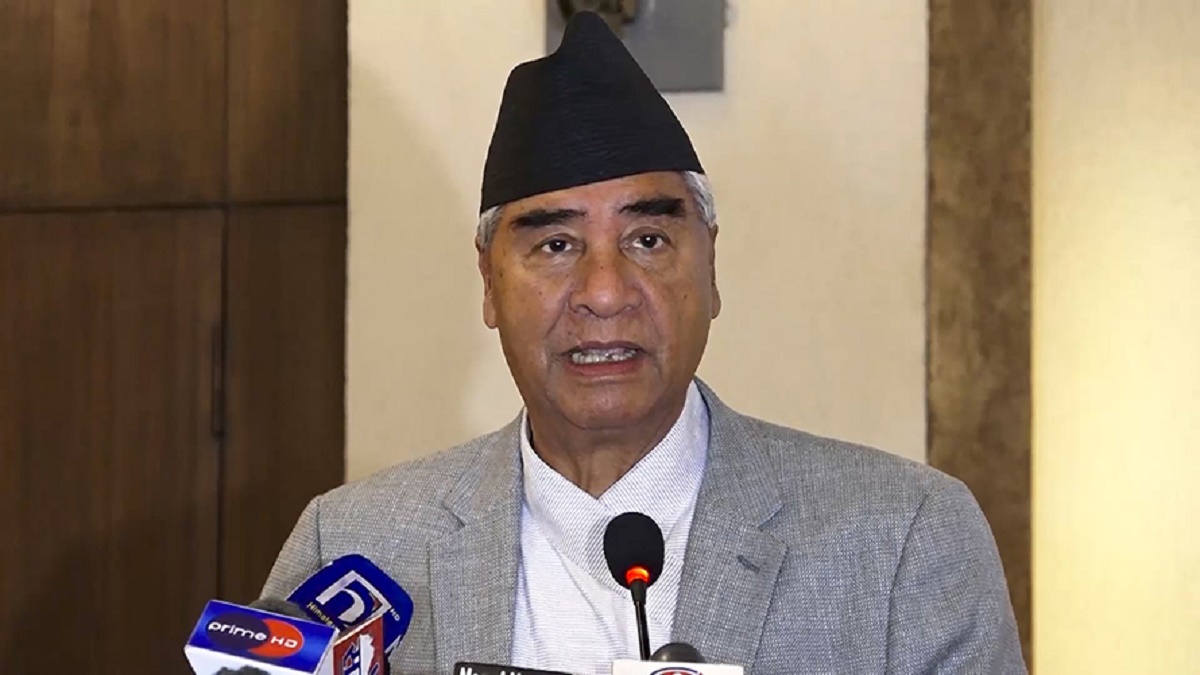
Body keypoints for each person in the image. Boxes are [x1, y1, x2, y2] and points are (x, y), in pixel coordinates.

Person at [261, 11, 1025, 675]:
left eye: (648, 239)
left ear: (710, 266)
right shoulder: (358, 547)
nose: (604, 291)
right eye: (556, 245)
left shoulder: (901, 540)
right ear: (489, 283)